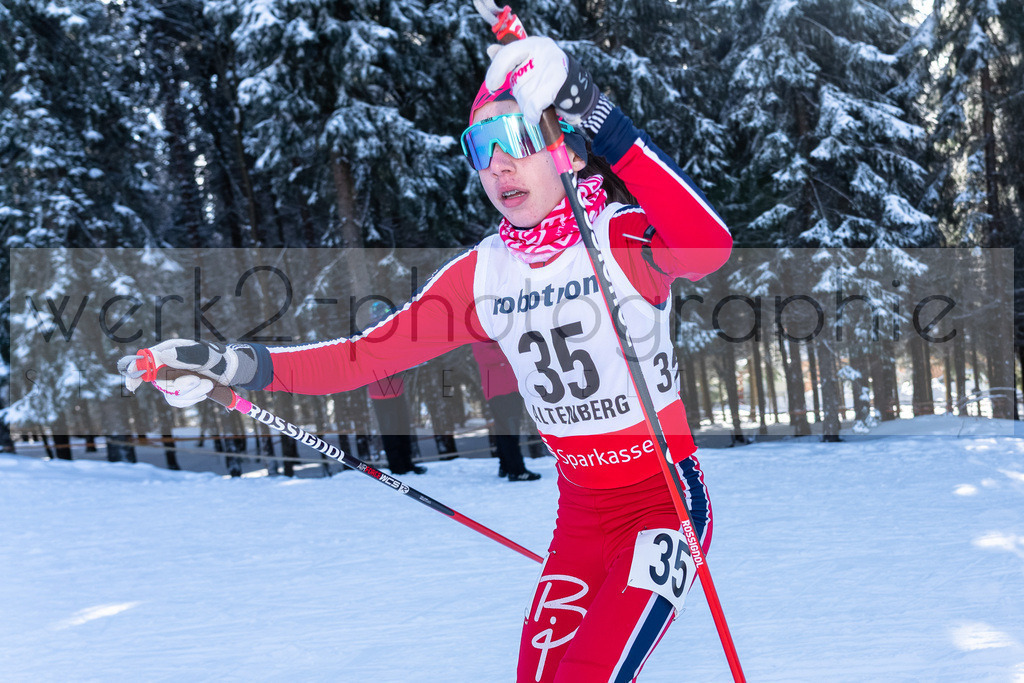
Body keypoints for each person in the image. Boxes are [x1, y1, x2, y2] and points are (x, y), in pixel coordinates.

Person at [121, 35, 732, 682]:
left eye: (517, 137)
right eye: (480, 147)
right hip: (582, 514)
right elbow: (361, 358)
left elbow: (708, 248)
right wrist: (228, 363)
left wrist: (598, 113)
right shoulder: (482, 276)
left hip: (662, 500)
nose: (498, 164)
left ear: (566, 151)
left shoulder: (621, 235)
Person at [472, 340, 540, 481]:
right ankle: (517, 470)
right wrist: (510, 351)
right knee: (510, 430)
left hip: (506, 388)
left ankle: (505, 466)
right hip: (501, 389)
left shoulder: (492, 331)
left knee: (504, 430)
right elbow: (483, 355)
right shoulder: (482, 332)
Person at [367, 372, 426, 475]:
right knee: (389, 431)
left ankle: (407, 464)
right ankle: (396, 467)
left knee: (403, 428)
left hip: (397, 389)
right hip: (381, 393)